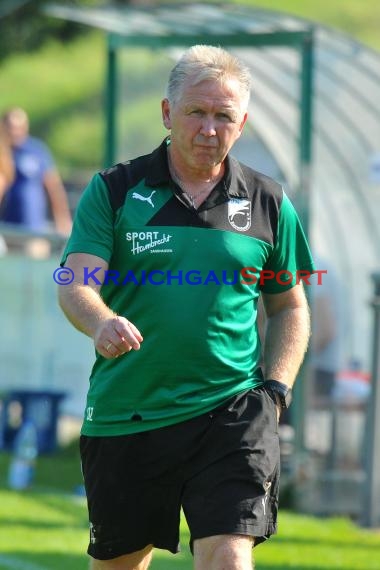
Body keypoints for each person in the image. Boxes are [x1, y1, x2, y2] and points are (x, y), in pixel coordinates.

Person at [58, 45, 314, 570]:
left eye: (224, 116)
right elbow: (76, 283)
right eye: (196, 112)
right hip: (130, 410)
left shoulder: (269, 203)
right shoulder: (115, 190)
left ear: (242, 123)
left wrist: (277, 388)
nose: (208, 128)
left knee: (229, 556)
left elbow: (289, 307)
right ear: (167, 113)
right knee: (122, 562)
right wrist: (100, 319)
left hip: (234, 411)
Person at [0, 107, 72, 235]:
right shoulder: (3, 154)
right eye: (10, 127)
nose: (14, 132)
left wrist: (62, 219)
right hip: (6, 228)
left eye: (19, 127)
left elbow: (54, 188)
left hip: (33, 228)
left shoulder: (36, 150)